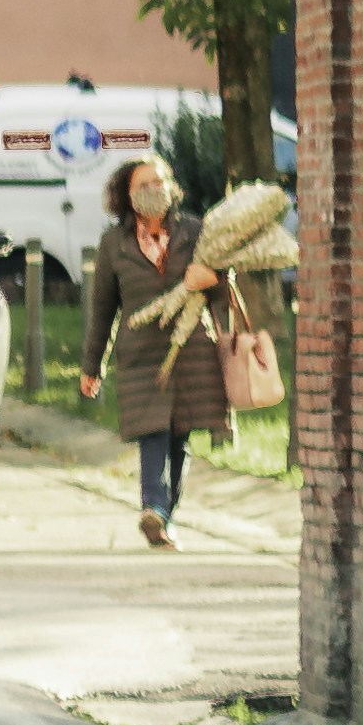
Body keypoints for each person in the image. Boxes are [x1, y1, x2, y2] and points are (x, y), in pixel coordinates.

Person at [78, 153, 229, 551]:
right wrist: (92, 365)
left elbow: (225, 286)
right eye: (142, 186)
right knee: (153, 432)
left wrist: (211, 279)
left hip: (191, 350)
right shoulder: (114, 244)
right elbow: (102, 309)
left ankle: (163, 514)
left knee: (179, 436)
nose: (152, 191)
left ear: (171, 187)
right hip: (141, 353)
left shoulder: (197, 232)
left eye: (158, 182)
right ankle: (154, 507)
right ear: (126, 196)